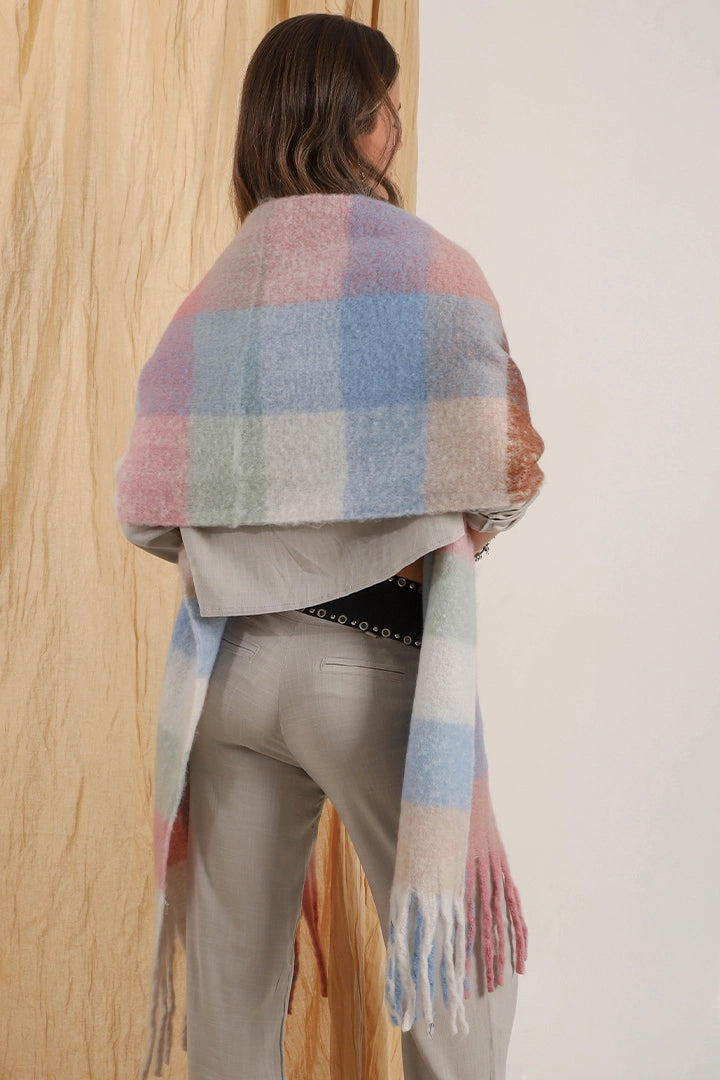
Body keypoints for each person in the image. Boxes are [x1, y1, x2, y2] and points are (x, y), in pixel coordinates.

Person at [116, 13, 544, 1080]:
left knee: (232, 1000)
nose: (397, 123)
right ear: (359, 123)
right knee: (454, 974)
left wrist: (267, 539)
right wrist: (403, 524)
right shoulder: (430, 272)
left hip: (228, 677)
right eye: (388, 105)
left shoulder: (214, 298)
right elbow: (504, 473)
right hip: (372, 673)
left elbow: (148, 511)